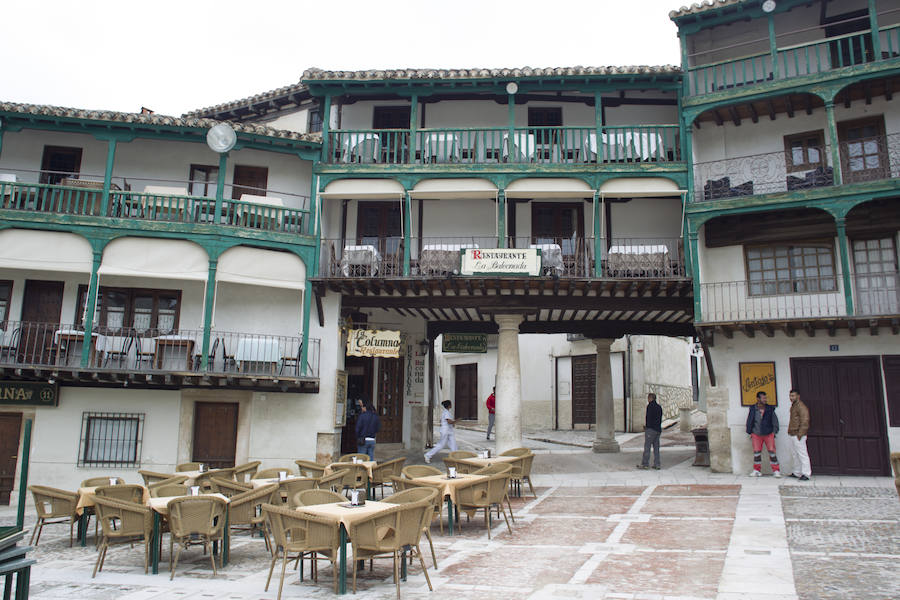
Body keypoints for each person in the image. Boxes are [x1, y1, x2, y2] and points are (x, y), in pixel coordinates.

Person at [746, 391, 781, 477]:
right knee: (756, 453)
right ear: (758, 399)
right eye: (763, 398)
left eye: (765, 398)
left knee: (772, 452)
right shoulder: (753, 408)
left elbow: (775, 420)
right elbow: (750, 419)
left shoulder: (770, 409)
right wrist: (750, 431)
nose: (765, 399)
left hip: (769, 433)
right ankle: (756, 470)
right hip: (756, 434)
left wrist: (774, 431)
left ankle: (776, 470)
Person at [787, 389, 811, 481]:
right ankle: (797, 472)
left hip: (798, 434)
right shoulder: (794, 406)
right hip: (792, 433)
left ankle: (806, 473)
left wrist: (800, 434)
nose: (791, 398)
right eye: (790, 396)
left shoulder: (801, 406)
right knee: (795, 454)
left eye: (793, 396)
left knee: (802, 454)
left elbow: (805, 421)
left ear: (798, 396)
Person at [637, 392, 663, 470]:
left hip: (651, 429)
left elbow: (648, 418)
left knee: (647, 447)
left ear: (651, 398)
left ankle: (645, 464)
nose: (648, 399)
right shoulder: (659, 407)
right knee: (656, 448)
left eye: (648, 398)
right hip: (658, 429)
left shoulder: (650, 406)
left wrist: (646, 427)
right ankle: (657, 464)